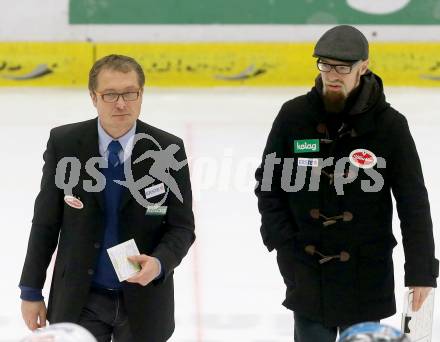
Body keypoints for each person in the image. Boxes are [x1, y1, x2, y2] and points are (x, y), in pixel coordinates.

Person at [254, 25, 438, 342]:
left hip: (366, 273)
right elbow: (269, 185)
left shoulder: (390, 126)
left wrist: (421, 272)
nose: (333, 75)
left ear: (363, 67)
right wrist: (284, 243)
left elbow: (413, 202)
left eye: (343, 67)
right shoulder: (294, 116)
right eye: (326, 64)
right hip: (308, 271)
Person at [19, 54, 195, 342]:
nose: (121, 103)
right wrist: (31, 291)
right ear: (93, 97)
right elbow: (45, 223)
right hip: (80, 299)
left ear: (141, 95)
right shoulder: (65, 144)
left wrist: (160, 263)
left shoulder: (168, 149)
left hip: (144, 301)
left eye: (129, 93)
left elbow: (182, 227)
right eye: (110, 94)